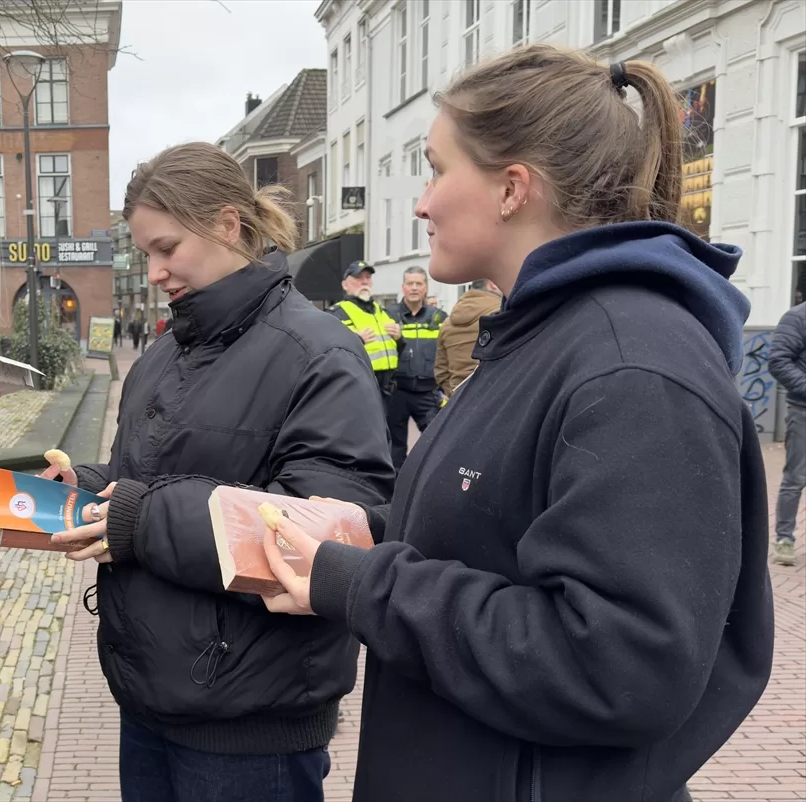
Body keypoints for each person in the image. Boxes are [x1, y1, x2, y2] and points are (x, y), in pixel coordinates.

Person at [256, 45, 774, 802]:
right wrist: (370, 531)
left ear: (512, 188)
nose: (422, 203)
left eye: (436, 169)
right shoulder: (540, 335)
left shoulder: (631, 365)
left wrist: (366, 584)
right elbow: (496, 540)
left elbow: (622, 666)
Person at [42, 142, 394, 802]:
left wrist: (138, 518)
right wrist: (86, 487)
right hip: (149, 697)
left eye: (167, 248)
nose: (153, 271)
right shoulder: (162, 356)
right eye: (145, 252)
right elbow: (142, 474)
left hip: (251, 722)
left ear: (229, 224)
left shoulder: (318, 353)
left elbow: (330, 532)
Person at [387, 267, 444, 467]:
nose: (414, 288)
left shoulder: (438, 317)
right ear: (403, 288)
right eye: (410, 284)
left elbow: (447, 352)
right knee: (395, 448)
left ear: (425, 288)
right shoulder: (389, 315)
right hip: (397, 392)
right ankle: (394, 494)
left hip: (427, 392)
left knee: (435, 444)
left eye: (418, 284)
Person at [327, 261, 400, 405]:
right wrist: (356, 339)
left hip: (387, 389)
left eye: (368, 277)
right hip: (358, 387)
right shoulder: (337, 313)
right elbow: (327, 350)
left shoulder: (383, 312)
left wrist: (400, 338)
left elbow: (397, 350)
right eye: (358, 277)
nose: (364, 282)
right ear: (345, 285)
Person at [769, 300, 806, 566]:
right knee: (796, 477)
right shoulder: (797, 318)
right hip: (803, 411)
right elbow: (778, 361)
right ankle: (784, 539)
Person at [433, 278, 501, 396]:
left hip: (458, 401)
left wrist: (454, 394)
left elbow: (441, 372)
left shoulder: (447, 323)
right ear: (493, 284)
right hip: (495, 398)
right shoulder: (502, 313)